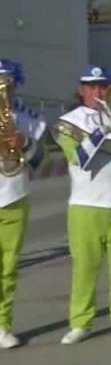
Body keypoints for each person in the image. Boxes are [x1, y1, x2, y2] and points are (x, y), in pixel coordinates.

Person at [52, 65, 111, 344]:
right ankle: (81, 322)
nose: (99, 92)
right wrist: (100, 131)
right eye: (92, 87)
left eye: (103, 86)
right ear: (82, 91)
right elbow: (78, 158)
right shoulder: (68, 122)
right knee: (85, 268)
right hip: (85, 205)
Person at [0, 59, 46, 349]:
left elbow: (41, 160)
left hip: (13, 194)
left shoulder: (29, 116)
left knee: (7, 267)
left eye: (6, 81)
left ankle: (2, 324)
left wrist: (24, 141)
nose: (3, 87)